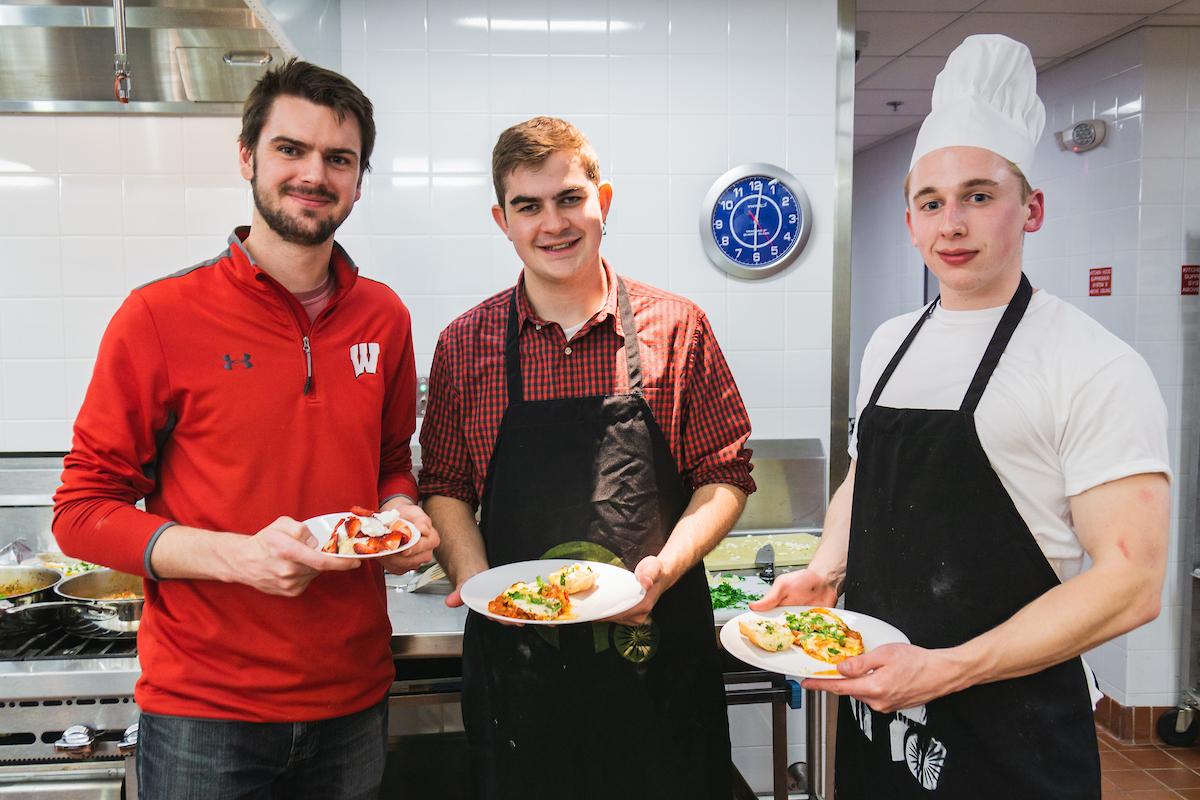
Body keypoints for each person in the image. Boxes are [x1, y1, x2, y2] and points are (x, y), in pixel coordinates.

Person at [753, 34, 1171, 798]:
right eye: (932, 202)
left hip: (1011, 740)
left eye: (979, 196)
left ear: (1030, 208)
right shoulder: (889, 343)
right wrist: (825, 569)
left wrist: (947, 670)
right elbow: (865, 475)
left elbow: (1132, 581)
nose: (952, 224)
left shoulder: (1093, 365)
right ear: (910, 218)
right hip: (883, 719)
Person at [52, 59, 438, 799]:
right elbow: (81, 512)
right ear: (248, 157)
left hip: (353, 701)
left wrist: (398, 513)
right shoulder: (158, 317)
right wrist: (237, 558)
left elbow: (391, 460)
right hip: (206, 714)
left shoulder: (384, 318)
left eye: (339, 158)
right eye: (291, 149)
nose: (314, 174)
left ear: (359, 180)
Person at [418, 116, 755, 799]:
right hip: (520, 679)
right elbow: (446, 486)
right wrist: (483, 586)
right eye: (528, 205)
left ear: (602, 200)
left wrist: (669, 565)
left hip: (656, 669)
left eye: (570, 198)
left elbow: (725, 474)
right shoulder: (464, 345)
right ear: (501, 220)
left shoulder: (678, 327)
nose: (554, 223)